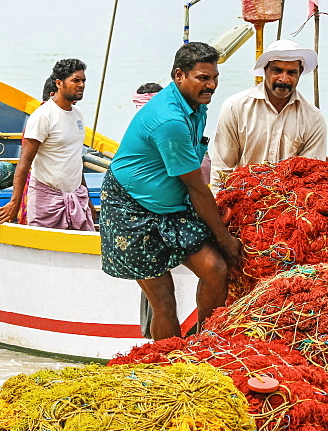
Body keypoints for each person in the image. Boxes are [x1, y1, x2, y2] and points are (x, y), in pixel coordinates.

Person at [100, 42, 242, 340]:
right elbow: (196, 187)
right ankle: (168, 365)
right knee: (164, 299)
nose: (211, 85)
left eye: (215, 77)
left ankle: (206, 344)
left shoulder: (196, 105)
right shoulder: (170, 120)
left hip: (171, 203)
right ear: (179, 75)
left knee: (215, 270)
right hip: (130, 208)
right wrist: (225, 238)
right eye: (203, 78)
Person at [209, 39, 328, 190]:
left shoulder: (314, 118)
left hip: (291, 205)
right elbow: (221, 170)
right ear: (265, 70)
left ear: (299, 74)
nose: (284, 79)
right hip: (242, 201)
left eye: (291, 72)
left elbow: (310, 176)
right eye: (277, 71)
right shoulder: (235, 107)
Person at [0, 59, 94, 231]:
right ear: (59, 83)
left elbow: (75, 160)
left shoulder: (78, 114)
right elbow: (24, 162)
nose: (81, 85)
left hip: (77, 198)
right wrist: (14, 203)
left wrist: (88, 200)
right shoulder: (43, 116)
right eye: (76, 80)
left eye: (83, 81)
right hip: (47, 200)